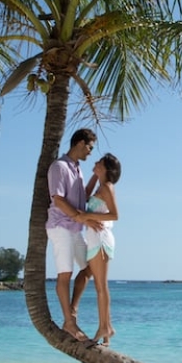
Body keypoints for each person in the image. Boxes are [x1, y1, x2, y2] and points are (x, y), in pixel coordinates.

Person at [46, 128, 97, 340]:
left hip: (75, 228)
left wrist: (95, 176)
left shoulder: (77, 169)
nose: (90, 152)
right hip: (60, 227)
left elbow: (82, 197)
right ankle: (68, 322)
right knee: (64, 275)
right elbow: (57, 199)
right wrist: (78, 216)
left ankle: (72, 311)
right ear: (79, 143)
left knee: (90, 268)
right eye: (89, 147)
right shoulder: (59, 166)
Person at [81, 152, 121, 345]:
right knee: (99, 286)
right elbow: (85, 197)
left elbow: (114, 215)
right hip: (94, 239)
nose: (94, 163)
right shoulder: (100, 185)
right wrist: (95, 174)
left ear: (106, 169)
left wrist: (91, 218)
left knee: (100, 287)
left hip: (101, 239)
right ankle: (107, 331)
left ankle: (104, 327)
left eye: (99, 163)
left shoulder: (107, 187)